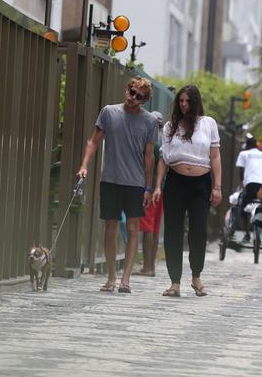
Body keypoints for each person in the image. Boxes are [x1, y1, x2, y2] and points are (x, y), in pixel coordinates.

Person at [77, 77, 158, 293]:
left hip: (135, 183)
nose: (133, 98)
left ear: (144, 100)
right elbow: (94, 141)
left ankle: (126, 279)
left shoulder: (149, 121)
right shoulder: (109, 112)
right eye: (131, 92)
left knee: (133, 228)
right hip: (110, 179)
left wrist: (148, 187)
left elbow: (149, 156)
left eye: (138, 96)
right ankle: (111, 278)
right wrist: (84, 165)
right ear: (127, 90)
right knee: (110, 228)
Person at [152, 85, 222, 297]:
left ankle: (196, 277)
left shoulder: (208, 123)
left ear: (195, 102)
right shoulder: (170, 126)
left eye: (188, 101)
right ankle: (175, 282)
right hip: (175, 182)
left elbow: (215, 156)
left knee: (198, 231)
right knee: (173, 231)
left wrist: (217, 186)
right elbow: (163, 159)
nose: (184, 105)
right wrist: (157, 186)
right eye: (181, 101)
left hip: (201, 183)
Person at [134, 111, 165, 277]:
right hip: (160, 189)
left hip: (150, 189)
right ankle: (150, 266)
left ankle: (147, 267)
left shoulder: (152, 144)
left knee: (147, 229)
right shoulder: (163, 143)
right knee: (154, 229)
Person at [235, 136, 262, 243]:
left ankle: (247, 235)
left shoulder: (243, 154)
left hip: (251, 184)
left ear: (247, 146)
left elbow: (241, 171)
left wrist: (243, 184)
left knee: (244, 208)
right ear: (257, 145)